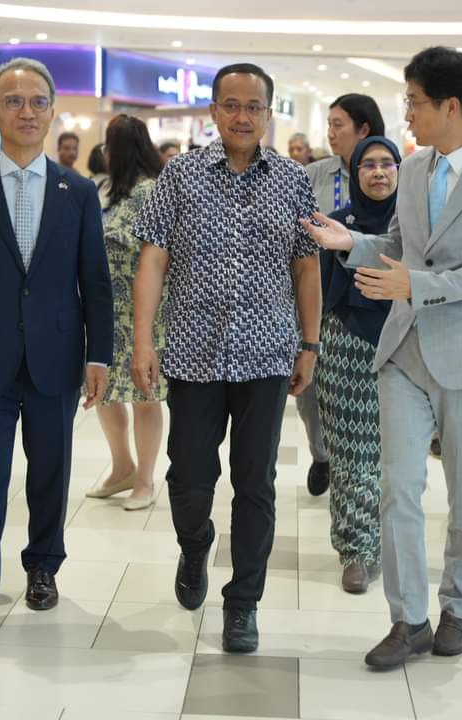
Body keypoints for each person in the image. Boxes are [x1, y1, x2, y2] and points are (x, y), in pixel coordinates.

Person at [302, 46, 462, 667]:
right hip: (403, 352)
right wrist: (351, 242)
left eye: (414, 101)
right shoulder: (412, 169)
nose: (406, 113)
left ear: (450, 106)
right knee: (398, 488)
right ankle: (407, 621)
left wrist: (418, 285)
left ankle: (457, 607)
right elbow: (400, 245)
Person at [132, 62, 321, 654]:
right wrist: (143, 341)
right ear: (214, 111)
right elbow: (153, 260)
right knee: (189, 477)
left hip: (267, 356)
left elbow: (306, 267)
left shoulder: (292, 181)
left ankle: (242, 604)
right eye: (231, 105)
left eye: (253, 106)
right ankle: (195, 545)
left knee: (255, 483)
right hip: (194, 353)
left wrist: (310, 344)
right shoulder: (180, 175)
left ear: (268, 113)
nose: (242, 117)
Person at [0, 58, 113, 636]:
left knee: (50, 473)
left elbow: (95, 280)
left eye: (38, 101)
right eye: (14, 101)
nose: (28, 112)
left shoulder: (77, 192)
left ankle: (43, 567)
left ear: (53, 110)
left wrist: (98, 355)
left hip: (55, 357)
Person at [316, 136, 398, 594]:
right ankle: (354, 551)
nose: (379, 172)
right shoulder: (337, 224)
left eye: (388, 163)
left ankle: (382, 541)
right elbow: (319, 290)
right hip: (344, 346)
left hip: (402, 345)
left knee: (391, 459)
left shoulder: (417, 226)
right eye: (368, 164)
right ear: (355, 173)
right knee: (350, 456)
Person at [301, 93, 386, 497]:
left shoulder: (393, 174)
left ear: (363, 129)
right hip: (318, 291)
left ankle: (360, 470)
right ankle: (322, 453)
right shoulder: (314, 175)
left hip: (376, 299)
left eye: (338, 125)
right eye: (329, 125)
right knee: (309, 391)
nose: (330, 133)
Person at [84, 115, 166, 510]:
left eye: (108, 144)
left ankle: (145, 480)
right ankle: (122, 467)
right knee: (102, 389)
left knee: (144, 394)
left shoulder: (152, 192)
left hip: (142, 310)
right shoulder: (107, 190)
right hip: (103, 309)